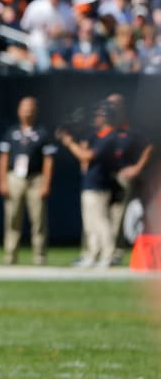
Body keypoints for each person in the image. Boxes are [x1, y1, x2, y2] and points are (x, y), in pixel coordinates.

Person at [59, 103, 121, 268]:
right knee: (90, 223)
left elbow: (86, 156)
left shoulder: (110, 137)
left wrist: (70, 143)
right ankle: (92, 255)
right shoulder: (97, 135)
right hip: (90, 182)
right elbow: (85, 149)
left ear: (106, 117)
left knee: (100, 221)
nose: (95, 118)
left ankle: (108, 255)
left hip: (100, 184)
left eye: (99, 115)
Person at [0, 96, 57, 266]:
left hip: (35, 178)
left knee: (38, 219)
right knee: (12, 217)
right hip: (15, 177)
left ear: (35, 111)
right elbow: (3, 157)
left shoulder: (42, 133)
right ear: (18, 111)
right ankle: (10, 254)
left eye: (30, 108)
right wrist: (2, 181)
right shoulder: (11, 132)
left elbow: (49, 160)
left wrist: (46, 183)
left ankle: (39, 256)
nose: (27, 112)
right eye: (24, 108)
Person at [105, 92, 154, 264]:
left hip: (122, 177)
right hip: (102, 177)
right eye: (109, 104)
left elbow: (149, 146)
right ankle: (96, 250)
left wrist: (137, 168)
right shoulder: (102, 127)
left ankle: (115, 251)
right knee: (98, 214)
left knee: (118, 214)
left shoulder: (131, 130)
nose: (111, 108)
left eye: (115, 104)